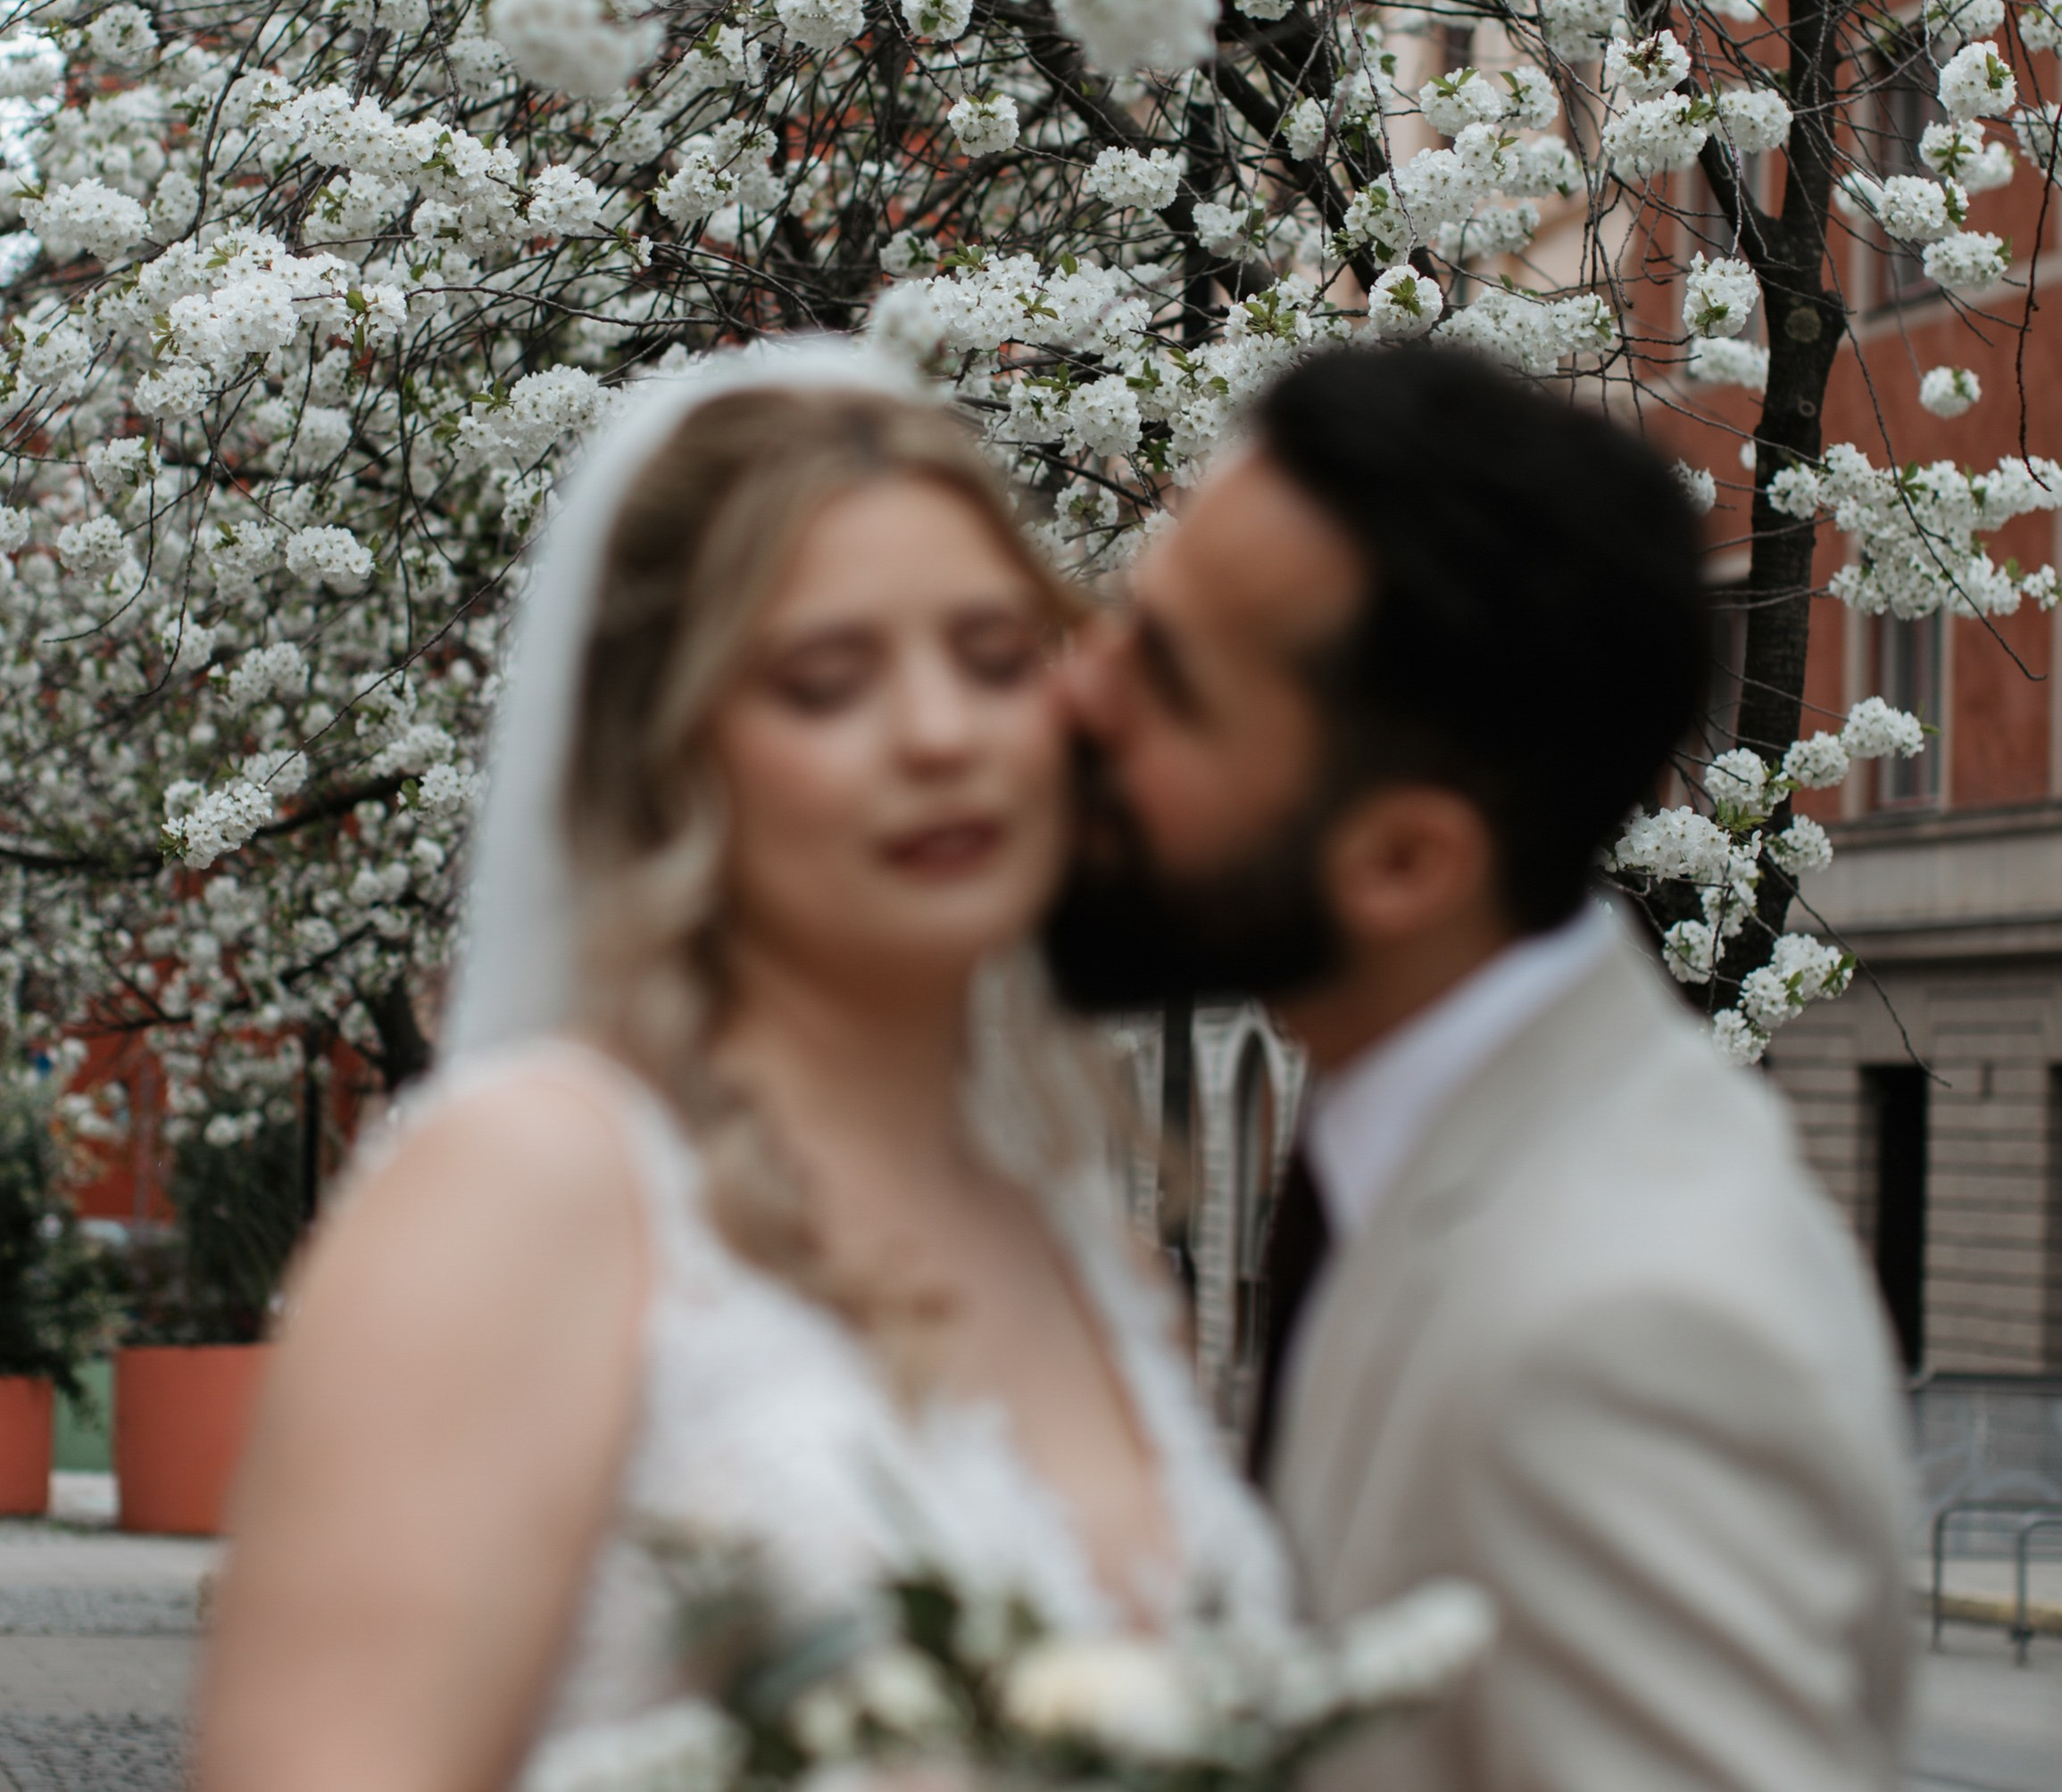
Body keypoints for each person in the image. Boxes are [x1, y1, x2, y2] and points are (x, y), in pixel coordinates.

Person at [195, 342, 1290, 1792]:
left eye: (992, 657)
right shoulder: (530, 1189)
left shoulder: (1075, 1225)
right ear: (668, 750)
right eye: (825, 683)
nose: (939, 736)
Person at [1049, 338, 1912, 1792]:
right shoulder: (1437, 1154)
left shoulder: (1619, 1335)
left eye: (1165, 681)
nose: (1072, 697)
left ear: (1402, 860)